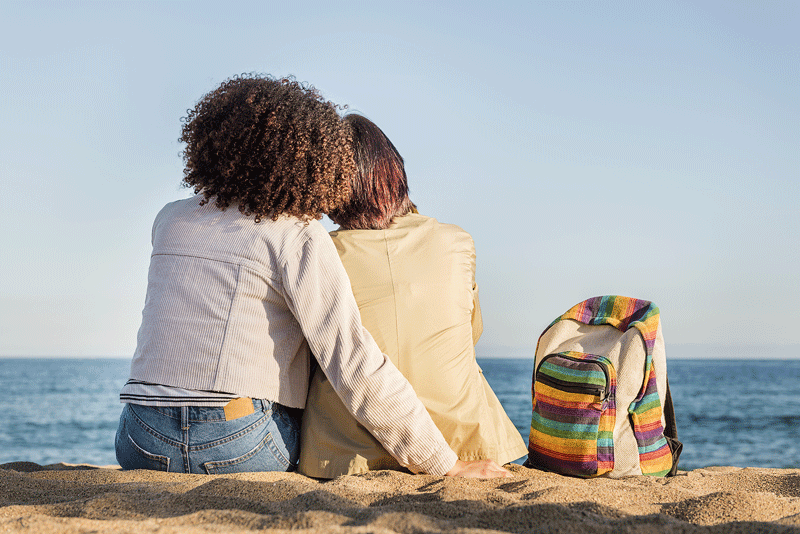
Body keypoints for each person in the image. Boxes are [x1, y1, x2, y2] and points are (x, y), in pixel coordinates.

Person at [114, 74, 509, 478]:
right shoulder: (295, 234)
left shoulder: (169, 219)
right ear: (306, 161)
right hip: (235, 442)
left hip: (141, 437)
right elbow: (354, 363)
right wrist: (445, 465)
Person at [298, 114, 527, 478]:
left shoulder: (320, 252)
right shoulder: (457, 242)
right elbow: (470, 335)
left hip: (347, 450)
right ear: (395, 173)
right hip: (462, 440)